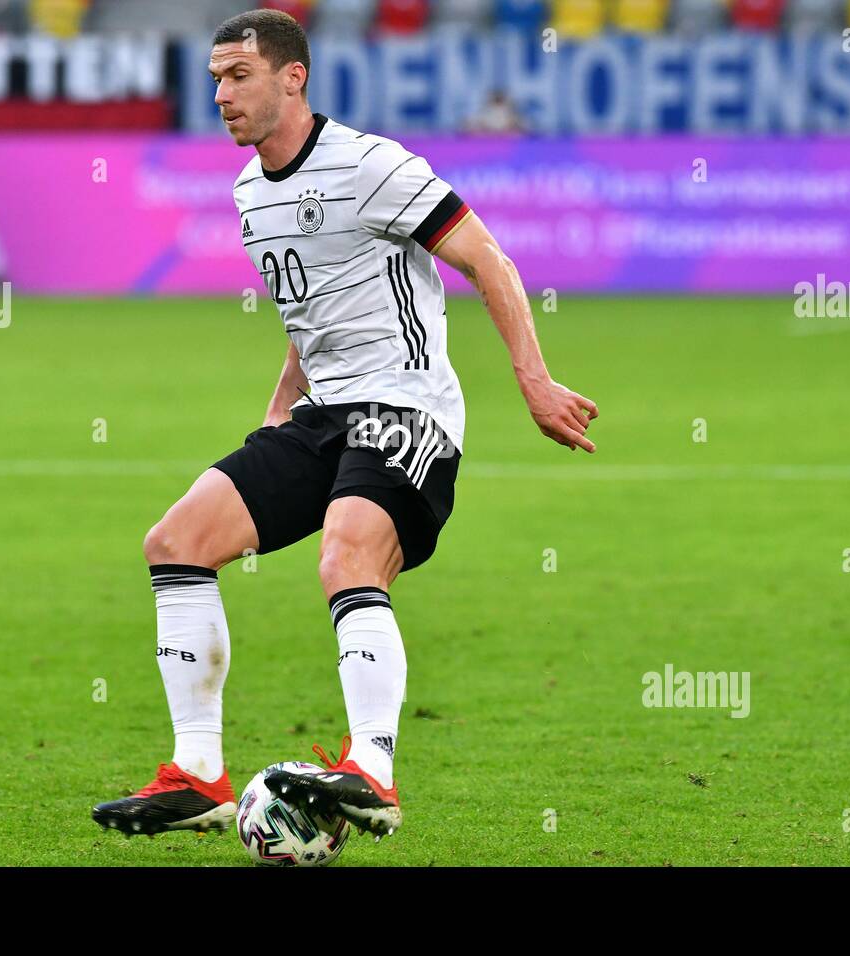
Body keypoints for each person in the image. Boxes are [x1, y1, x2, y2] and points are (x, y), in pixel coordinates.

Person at [91, 8, 598, 841]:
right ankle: (199, 775)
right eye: (215, 77)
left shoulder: (371, 166)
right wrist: (277, 418)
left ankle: (374, 769)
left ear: (293, 78)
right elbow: (308, 315)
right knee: (175, 541)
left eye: (238, 76)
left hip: (408, 409)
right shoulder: (251, 190)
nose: (221, 93)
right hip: (322, 417)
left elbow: (487, 260)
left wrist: (533, 383)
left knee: (347, 552)